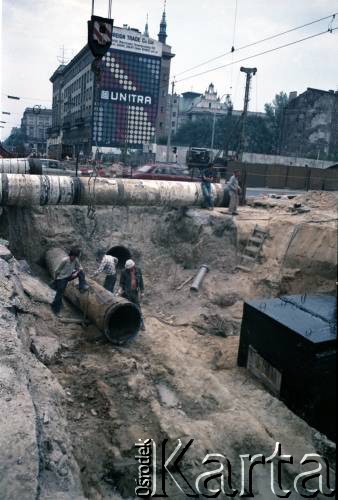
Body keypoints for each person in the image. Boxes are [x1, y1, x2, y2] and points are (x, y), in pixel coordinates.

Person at [51, 247, 89, 315]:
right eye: (73, 256)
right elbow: (56, 271)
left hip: (69, 276)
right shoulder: (64, 260)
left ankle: (81, 286)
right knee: (60, 293)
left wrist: (76, 273)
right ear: (70, 255)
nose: (74, 258)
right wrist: (55, 280)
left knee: (81, 272)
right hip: (61, 278)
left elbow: (80, 268)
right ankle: (55, 309)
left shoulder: (75, 260)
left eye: (75, 257)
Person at [119, 259, 145, 331]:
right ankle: (129, 324)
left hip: (135, 293)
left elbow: (141, 281)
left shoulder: (138, 270)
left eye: (131, 267)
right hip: (126, 293)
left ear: (133, 265)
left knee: (138, 308)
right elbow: (121, 283)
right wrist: (120, 289)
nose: (130, 269)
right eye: (129, 268)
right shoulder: (123, 272)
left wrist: (142, 291)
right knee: (128, 309)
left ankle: (141, 324)